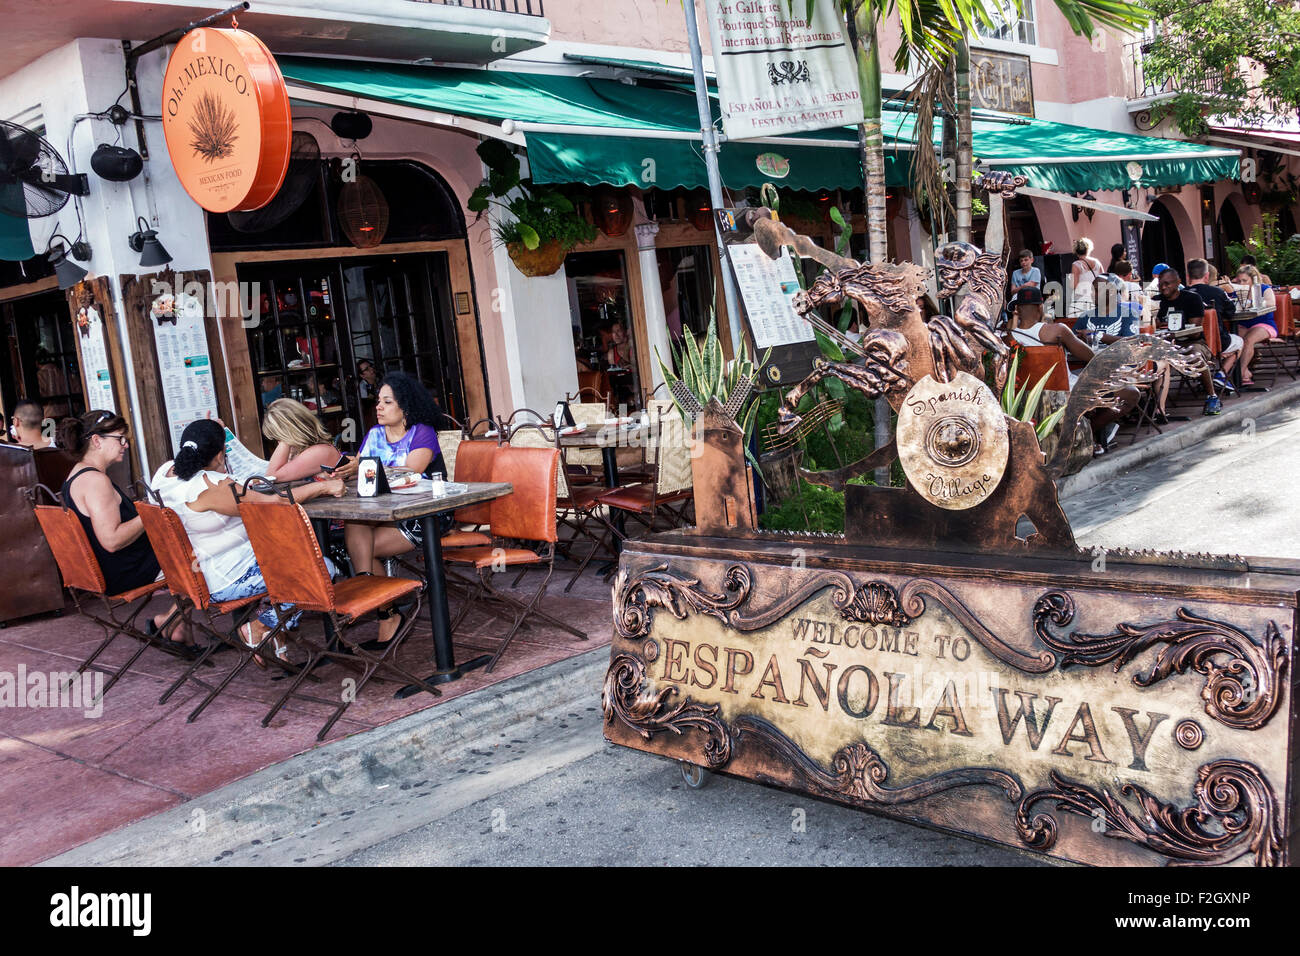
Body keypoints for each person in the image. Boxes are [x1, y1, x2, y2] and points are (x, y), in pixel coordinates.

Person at [152, 418, 344, 665]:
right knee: (321, 568)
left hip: (191, 574)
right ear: (221, 455)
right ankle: (261, 627)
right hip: (225, 578)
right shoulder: (211, 487)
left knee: (284, 558)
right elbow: (277, 503)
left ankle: (278, 636)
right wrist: (324, 488)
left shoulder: (164, 474)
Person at [56, 411, 188, 649]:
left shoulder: (76, 475)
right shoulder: (96, 482)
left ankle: (177, 625)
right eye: (120, 438)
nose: (125, 445)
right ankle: (171, 622)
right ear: (97, 441)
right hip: (125, 571)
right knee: (205, 555)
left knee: (194, 550)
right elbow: (111, 540)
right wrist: (149, 512)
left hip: (113, 568)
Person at [344, 371, 447, 646]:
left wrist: (366, 468)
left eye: (387, 402)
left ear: (405, 406)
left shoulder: (421, 433)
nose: (378, 406)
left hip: (423, 514)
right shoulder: (374, 434)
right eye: (378, 401)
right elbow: (360, 474)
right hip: (382, 512)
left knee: (361, 551)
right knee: (354, 523)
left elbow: (411, 472)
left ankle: (376, 605)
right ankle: (382, 607)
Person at [1008, 287, 1139, 454]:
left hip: (1030, 397)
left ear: (1017, 309)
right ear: (1040, 307)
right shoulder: (1056, 330)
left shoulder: (1008, 337)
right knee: (1130, 393)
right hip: (1066, 392)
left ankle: (1085, 433)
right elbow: (1090, 356)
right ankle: (1087, 432)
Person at [1153, 267, 1221, 418]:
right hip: (1164, 345)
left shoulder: (1192, 299)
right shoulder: (1157, 302)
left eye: (1167, 283)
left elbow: (1195, 331)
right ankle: (1155, 405)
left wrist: (1167, 327)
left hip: (1192, 342)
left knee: (1194, 354)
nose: (1163, 287)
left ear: (1178, 283)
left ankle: (1212, 396)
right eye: (1160, 284)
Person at [1185, 258, 1243, 395]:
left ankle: (1204, 377)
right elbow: (1231, 312)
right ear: (1206, 276)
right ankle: (1221, 375)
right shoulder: (1217, 292)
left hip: (1185, 344)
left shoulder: (1181, 294)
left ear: (1187, 277)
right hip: (1214, 342)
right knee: (1240, 341)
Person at [1221, 264, 1278, 388]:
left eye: (1245, 280)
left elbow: (1271, 303)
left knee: (1248, 341)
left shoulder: (1263, 288)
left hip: (1264, 323)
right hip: (1243, 323)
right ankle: (1244, 373)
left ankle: (1239, 374)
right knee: (1233, 341)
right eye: (1239, 280)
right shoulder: (1236, 290)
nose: (1242, 283)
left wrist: (1253, 302)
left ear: (1253, 279)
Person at [262, 398, 340, 482]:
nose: (278, 442)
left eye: (279, 437)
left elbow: (271, 477)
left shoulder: (319, 451)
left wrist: (285, 441)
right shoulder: (304, 451)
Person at [1068, 238, 1106, 323]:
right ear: (1088, 249)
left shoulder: (1076, 265)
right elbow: (1103, 281)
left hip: (1082, 299)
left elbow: (1074, 285)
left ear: (1076, 251)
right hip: (1097, 298)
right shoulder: (1097, 262)